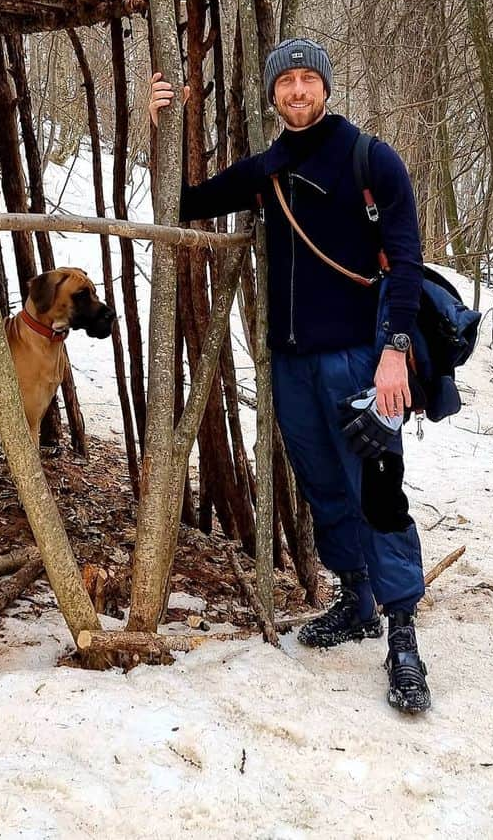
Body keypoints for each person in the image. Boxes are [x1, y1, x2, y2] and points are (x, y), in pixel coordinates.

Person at [148, 37, 432, 714]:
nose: (298, 91)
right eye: (286, 82)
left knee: (379, 487)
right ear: (273, 94)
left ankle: (403, 632)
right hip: (292, 363)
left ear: (325, 88)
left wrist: (394, 354)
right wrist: (163, 124)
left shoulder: (372, 159)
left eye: (308, 80)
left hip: (361, 359)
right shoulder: (268, 166)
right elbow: (185, 202)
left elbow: (407, 262)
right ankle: (356, 599)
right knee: (325, 486)